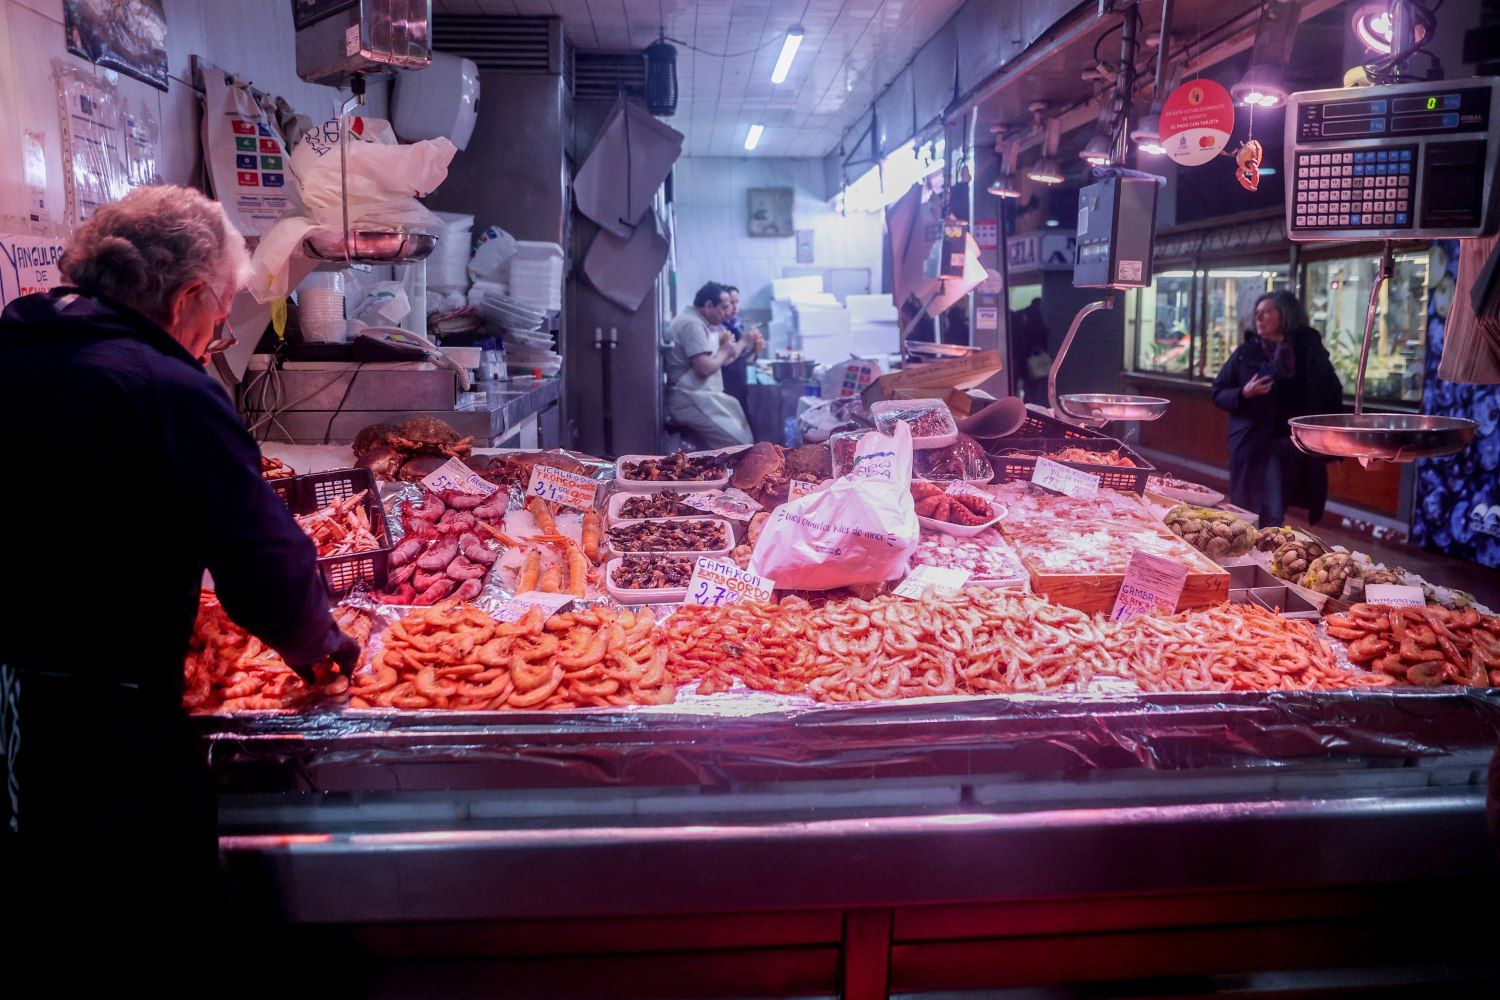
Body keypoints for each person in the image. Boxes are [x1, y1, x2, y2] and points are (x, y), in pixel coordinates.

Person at [0, 186, 359, 956]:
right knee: (137, 919)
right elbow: (262, 562)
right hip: (98, 724)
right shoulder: (167, 390)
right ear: (190, 294)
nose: (216, 335)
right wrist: (320, 647)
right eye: (222, 314)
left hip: (15, 703)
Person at [1212, 290, 1344, 528]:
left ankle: (1262, 554)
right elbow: (1219, 391)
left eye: (1267, 313)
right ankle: (1254, 555)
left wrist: (1333, 442)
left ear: (1284, 316)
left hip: (1296, 444)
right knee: (1265, 508)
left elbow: (1331, 394)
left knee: (1279, 504)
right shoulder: (1247, 352)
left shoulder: (1309, 352)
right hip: (1256, 442)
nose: (1259, 319)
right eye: (1257, 314)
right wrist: (1244, 393)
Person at [663, 281, 755, 448]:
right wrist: (724, 351)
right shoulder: (692, 324)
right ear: (708, 305)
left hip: (699, 394)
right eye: (724, 307)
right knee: (738, 443)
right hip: (689, 397)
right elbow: (703, 368)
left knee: (741, 426)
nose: (727, 313)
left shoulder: (697, 322)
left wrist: (720, 347)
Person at [718, 284, 765, 410]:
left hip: (739, 382)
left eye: (737, 303)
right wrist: (745, 341)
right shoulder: (718, 329)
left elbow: (743, 360)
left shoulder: (736, 325)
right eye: (730, 304)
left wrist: (754, 350)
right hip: (725, 385)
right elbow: (726, 360)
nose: (735, 308)